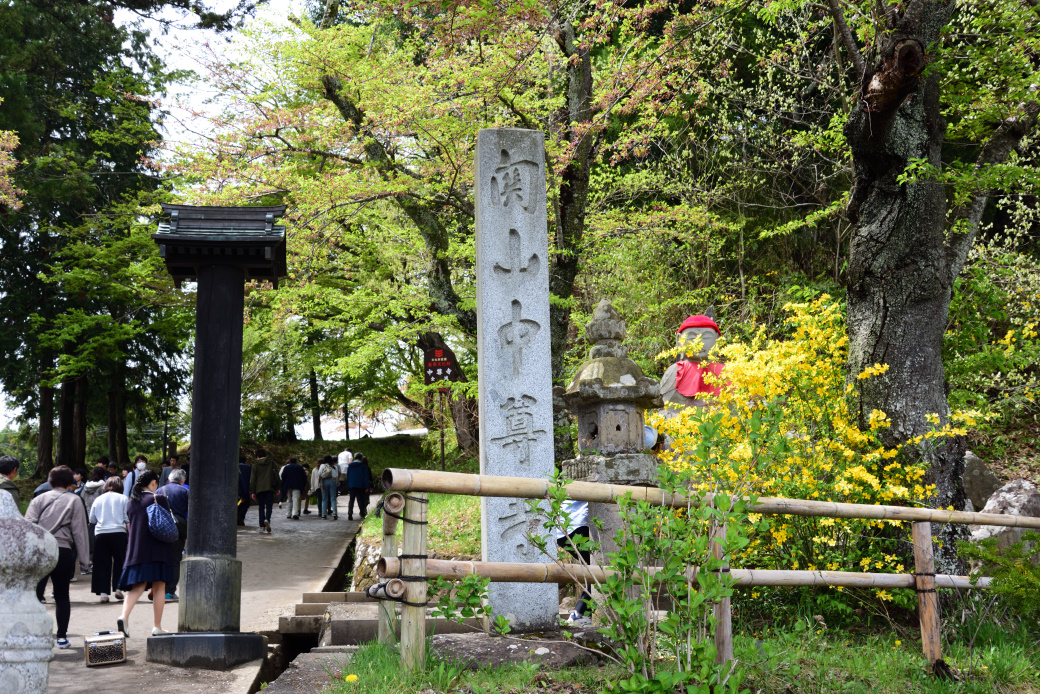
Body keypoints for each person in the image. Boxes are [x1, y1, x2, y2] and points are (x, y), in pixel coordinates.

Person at [24, 465, 91, 649]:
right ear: (71, 483)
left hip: (40, 550)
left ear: (50, 482)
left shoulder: (39, 499)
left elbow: (28, 526)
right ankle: (61, 637)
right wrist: (85, 561)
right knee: (62, 595)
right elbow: (80, 532)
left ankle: (35, 635)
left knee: (35, 595)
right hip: (62, 551)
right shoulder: (75, 500)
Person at [117, 469, 176, 638]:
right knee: (159, 587)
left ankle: (124, 616)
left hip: (136, 550)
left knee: (138, 586)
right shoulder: (159, 499)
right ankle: (157, 626)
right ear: (152, 483)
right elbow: (167, 524)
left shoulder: (131, 502)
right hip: (158, 549)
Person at [90, 476, 128, 604]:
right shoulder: (123, 498)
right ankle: (118, 587)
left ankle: (104, 594)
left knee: (102, 563)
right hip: (119, 533)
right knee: (120, 561)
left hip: (101, 534)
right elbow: (126, 518)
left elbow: (92, 519)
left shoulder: (98, 499)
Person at [555, 499, 592, 624]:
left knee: (594, 569)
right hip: (577, 524)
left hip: (563, 527)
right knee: (599, 569)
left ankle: (581, 611)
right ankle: (579, 611)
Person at [157, 469, 188, 601]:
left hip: (161, 527)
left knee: (161, 559)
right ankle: (170, 592)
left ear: (169, 479)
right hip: (179, 526)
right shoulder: (186, 491)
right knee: (175, 559)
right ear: (183, 481)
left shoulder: (159, 491)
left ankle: (158, 590)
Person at [80, 467, 108, 566]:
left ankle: (85, 562)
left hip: (87, 515)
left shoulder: (85, 487)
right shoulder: (102, 487)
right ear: (103, 475)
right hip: (100, 516)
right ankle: (95, 561)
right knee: (98, 540)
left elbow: (82, 499)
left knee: (89, 539)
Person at [250, 448, 277, 533]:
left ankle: (262, 526)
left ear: (257, 456)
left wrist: (252, 491)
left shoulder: (256, 464)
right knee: (269, 506)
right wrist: (278, 488)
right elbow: (276, 476)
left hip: (259, 489)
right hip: (270, 488)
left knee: (261, 507)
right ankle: (267, 519)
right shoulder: (272, 463)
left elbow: (253, 479)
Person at [346, 453, 374, 521]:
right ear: (361, 458)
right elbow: (365, 477)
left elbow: (348, 476)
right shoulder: (363, 466)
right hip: (360, 485)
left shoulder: (350, 465)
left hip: (352, 485)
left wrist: (348, 485)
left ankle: (350, 513)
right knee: (360, 500)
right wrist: (367, 487)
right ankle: (362, 513)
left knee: (351, 500)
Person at [317, 455, 339, 520]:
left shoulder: (322, 466)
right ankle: (334, 513)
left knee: (324, 498)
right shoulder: (334, 466)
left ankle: (324, 514)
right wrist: (337, 484)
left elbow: (319, 474)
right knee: (333, 498)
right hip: (333, 481)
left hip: (324, 482)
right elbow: (336, 476)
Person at [237, 456, 251, 526]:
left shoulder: (234, 467)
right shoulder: (248, 468)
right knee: (245, 505)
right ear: (245, 461)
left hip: (236, 491)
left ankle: (238, 516)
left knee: (238, 504)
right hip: (245, 491)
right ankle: (240, 517)